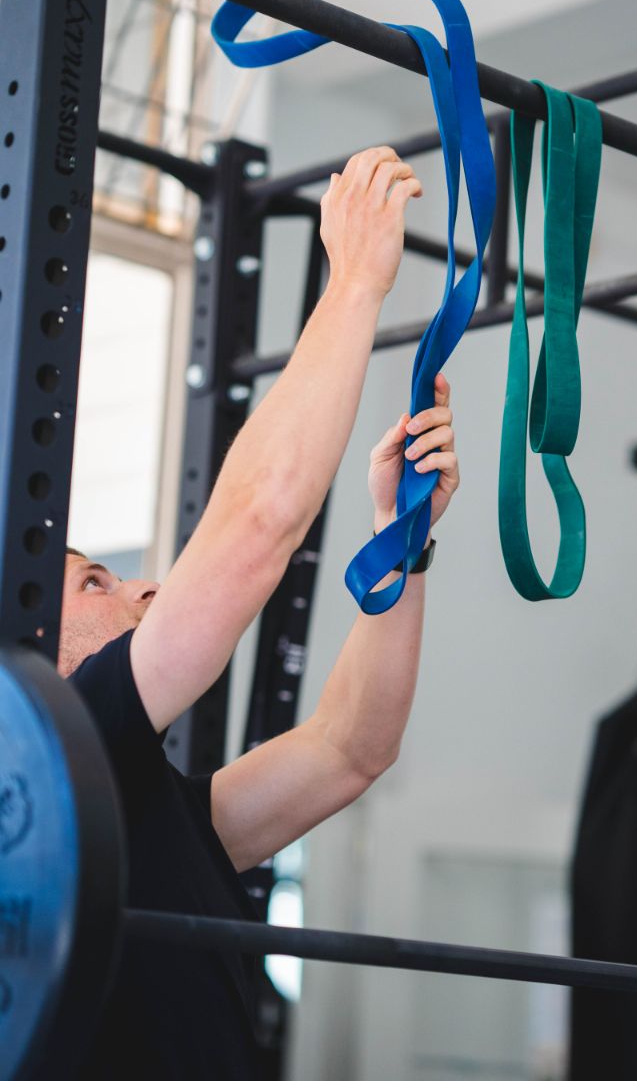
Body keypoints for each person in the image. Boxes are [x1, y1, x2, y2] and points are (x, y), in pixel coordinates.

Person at [60, 147, 461, 1080]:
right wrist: (355, 278)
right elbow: (256, 526)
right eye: (95, 583)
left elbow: (349, 748)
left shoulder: (157, 810)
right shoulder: (51, 725)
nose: (144, 588)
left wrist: (401, 535)